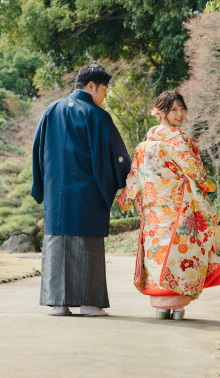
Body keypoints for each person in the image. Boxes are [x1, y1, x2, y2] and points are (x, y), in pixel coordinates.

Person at [116, 90, 220, 320]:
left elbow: (135, 176)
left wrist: (126, 199)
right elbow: (195, 171)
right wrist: (206, 185)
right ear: (160, 112)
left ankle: (161, 306)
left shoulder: (143, 146)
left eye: (181, 108)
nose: (179, 114)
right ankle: (176, 307)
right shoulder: (180, 140)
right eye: (173, 109)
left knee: (158, 253)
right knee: (179, 253)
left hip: (154, 211)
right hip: (179, 208)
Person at [31, 64, 131, 316]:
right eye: (104, 89)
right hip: (87, 193)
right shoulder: (97, 116)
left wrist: (41, 185)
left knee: (57, 242)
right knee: (86, 244)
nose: (105, 95)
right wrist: (126, 179)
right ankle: (88, 304)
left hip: (56, 194)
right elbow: (116, 157)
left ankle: (58, 303)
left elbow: (37, 150)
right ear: (91, 86)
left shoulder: (51, 110)